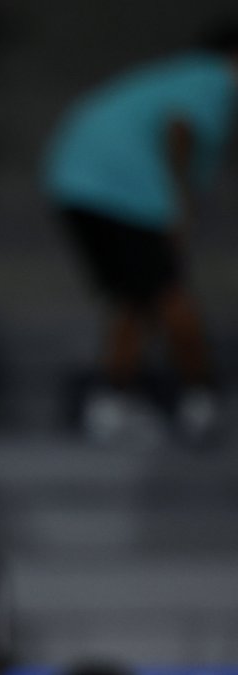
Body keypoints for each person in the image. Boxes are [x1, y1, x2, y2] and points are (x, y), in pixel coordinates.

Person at [44, 28, 238, 442]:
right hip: (118, 189)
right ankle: (200, 396)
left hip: (77, 178)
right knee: (171, 296)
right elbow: (179, 129)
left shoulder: (185, 75)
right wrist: (179, 208)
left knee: (135, 297)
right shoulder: (217, 79)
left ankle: (111, 401)